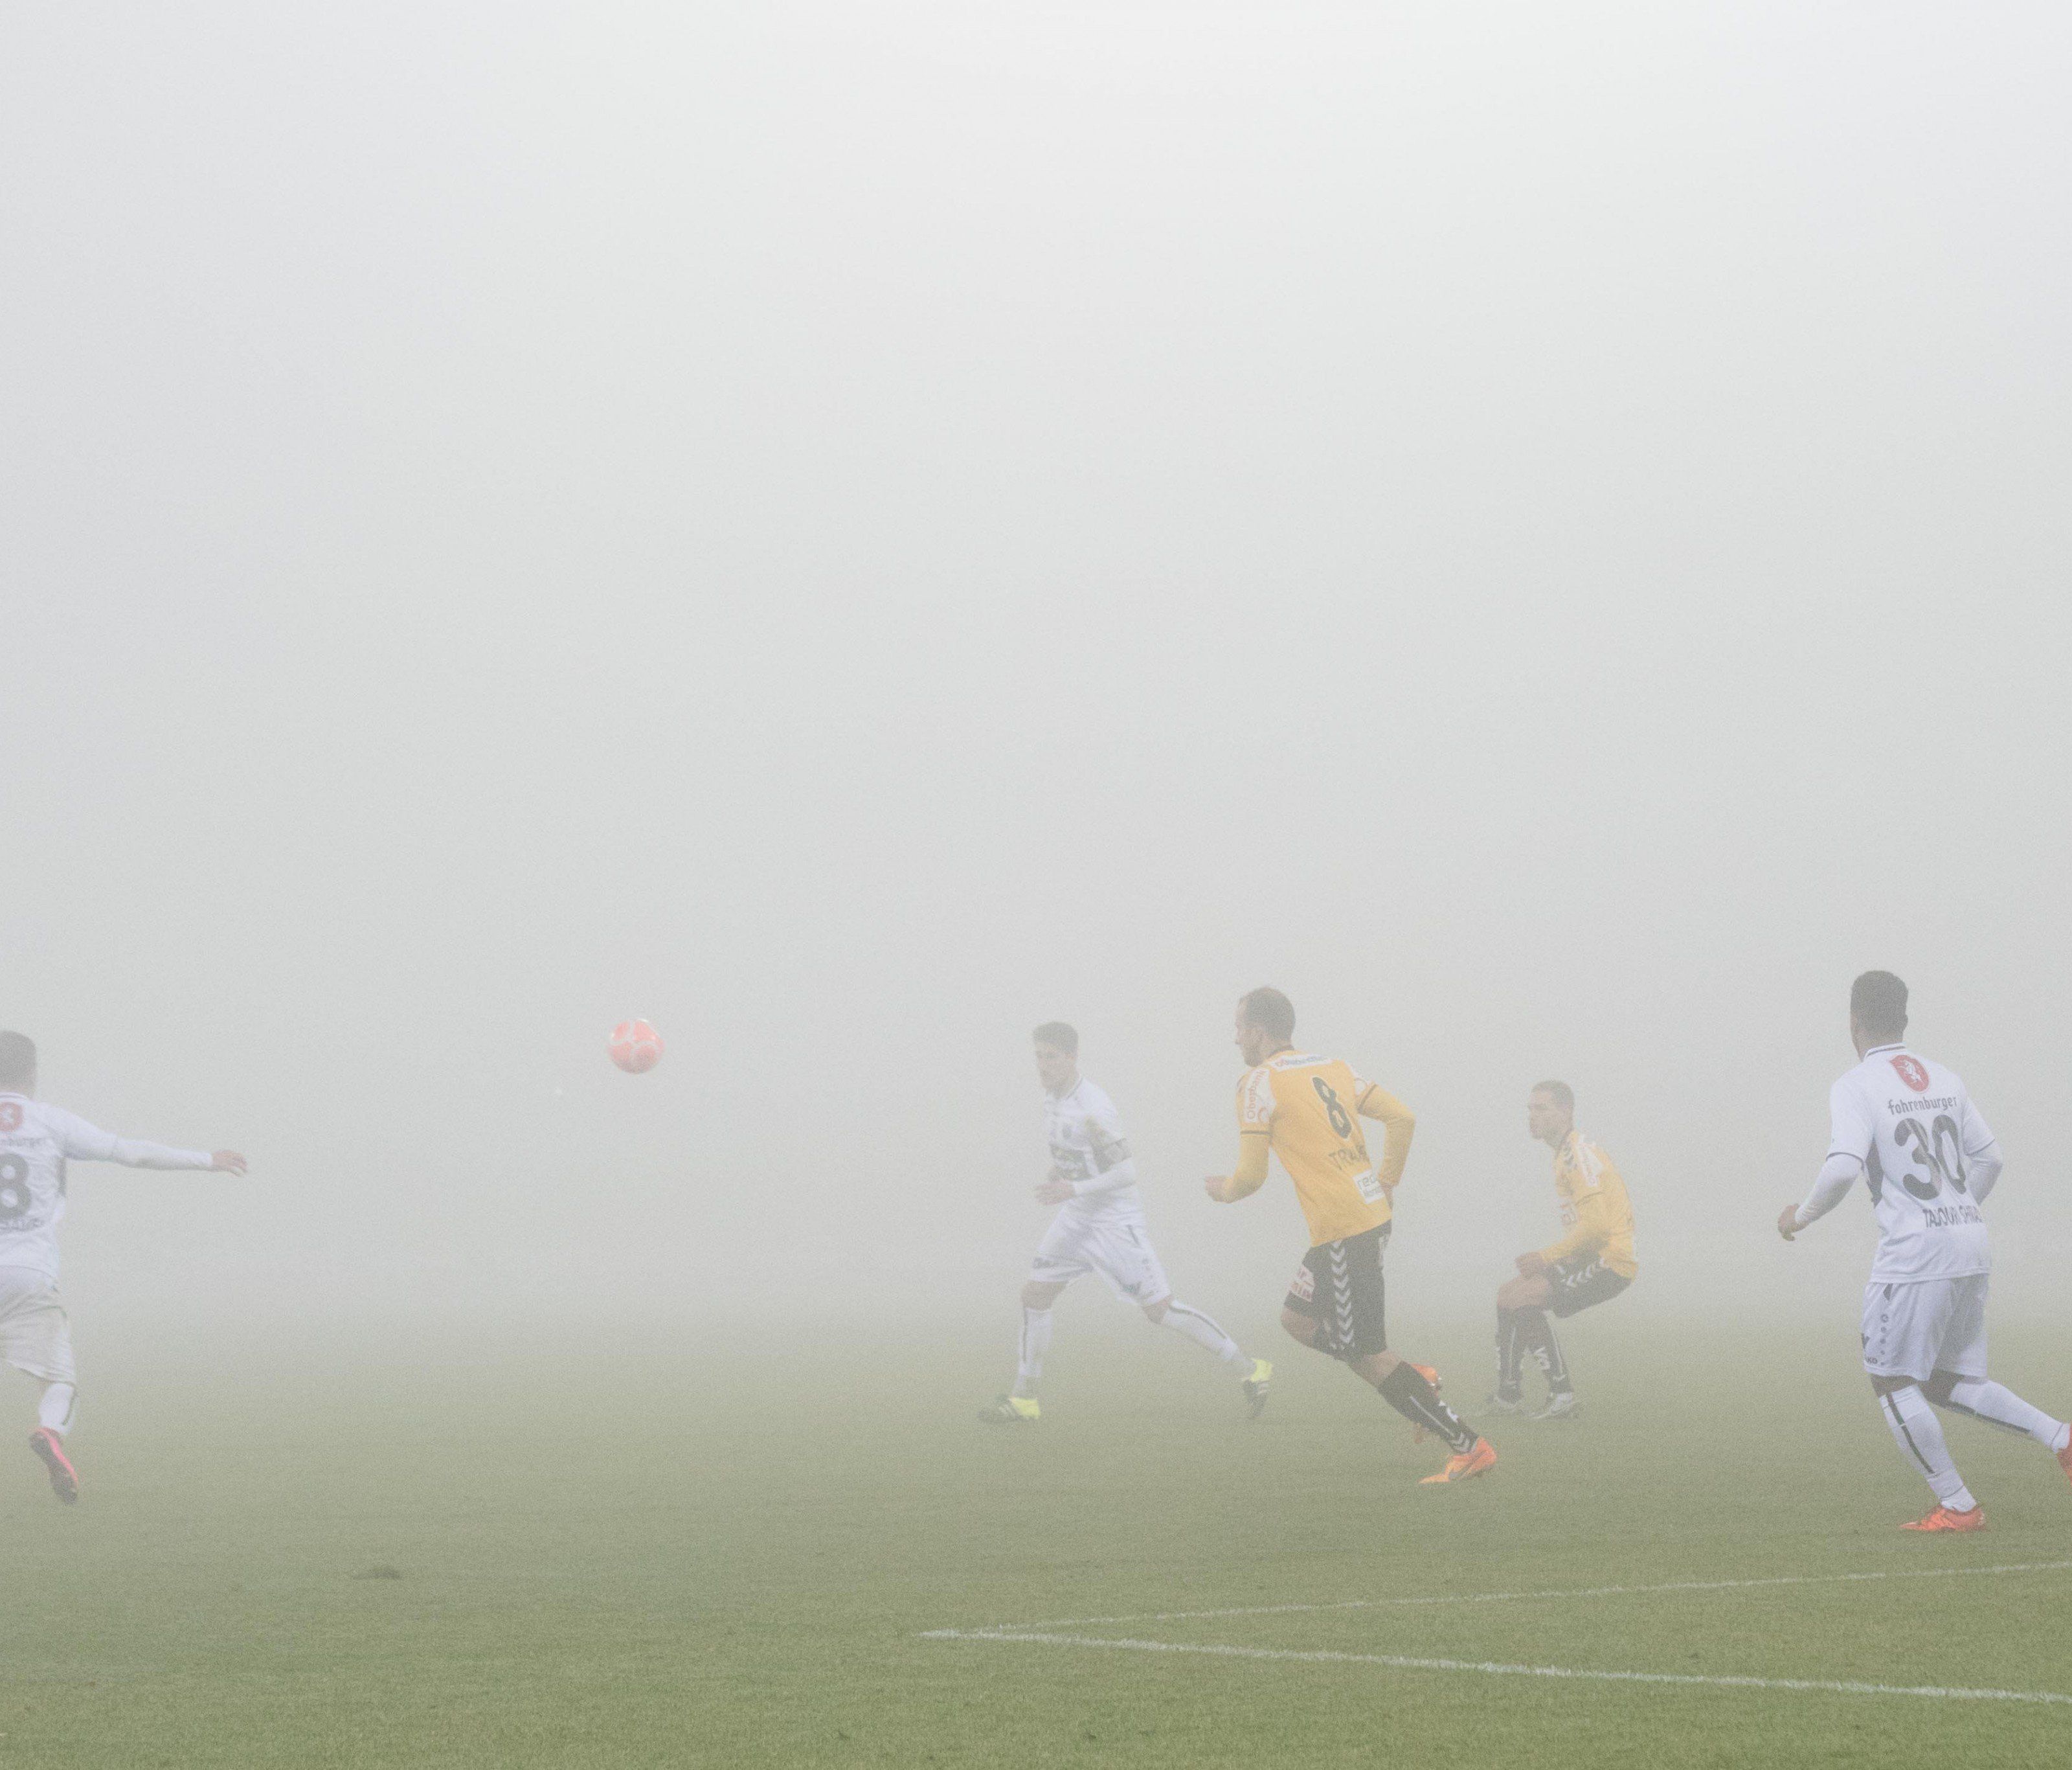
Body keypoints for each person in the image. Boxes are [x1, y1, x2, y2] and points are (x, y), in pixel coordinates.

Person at [1778, 971, 2072, 1532]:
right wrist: (1955, 1211)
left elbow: (1841, 1168)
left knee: (1890, 1378)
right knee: (1944, 1379)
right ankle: (2063, 1438)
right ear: (1905, 1019)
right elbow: (1991, 1158)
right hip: (1970, 1241)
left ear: (1853, 1022)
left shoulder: (1856, 1084)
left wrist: (1800, 1216)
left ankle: (1958, 1505)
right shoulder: (1944, 1077)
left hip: (1917, 1253)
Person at [1203, 988, 1495, 1485]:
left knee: (1366, 1354)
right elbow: (1402, 1117)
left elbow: (1250, 1177)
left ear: (1258, 1030)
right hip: (1366, 1216)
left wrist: (1224, 1191)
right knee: (1297, 1319)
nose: (1235, 1038)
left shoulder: (1257, 1083)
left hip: (1344, 1227)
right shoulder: (1333, 1066)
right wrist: (1387, 1181)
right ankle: (1412, 1378)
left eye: (1238, 1028)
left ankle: (1469, 1447)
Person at [0, 1030, 247, 1503]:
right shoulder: (50, 1121)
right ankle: (50, 1431)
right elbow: (130, 1152)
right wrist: (206, 1160)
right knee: (59, 1380)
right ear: (32, 1073)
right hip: (29, 1273)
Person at [980, 1023, 1269, 1425]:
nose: (1043, 1065)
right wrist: (1061, 1170)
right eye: (1039, 1056)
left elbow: (1125, 1173)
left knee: (1160, 1310)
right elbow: (1081, 1152)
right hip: (1077, 1218)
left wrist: (1072, 1188)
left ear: (1071, 1057)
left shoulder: (1094, 1107)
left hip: (1114, 1222)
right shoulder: (1052, 1097)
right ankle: (1024, 1398)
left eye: (1051, 1057)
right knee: (1035, 1294)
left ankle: (1250, 1369)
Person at [1489, 1081, 1637, 1420]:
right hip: (1588, 1254)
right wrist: (1564, 1255)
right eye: (1530, 1109)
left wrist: (1547, 1256)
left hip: (1612, 1260)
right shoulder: (1564, 1153)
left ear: (1566, 1111)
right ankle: (1508, 1397)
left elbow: (1598, 1226)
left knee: (1525, 1298)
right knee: (1508, 1295)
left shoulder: (1576, 1155)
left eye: (1542, 1109)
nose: (1532, 1116)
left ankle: (1562, 1397)